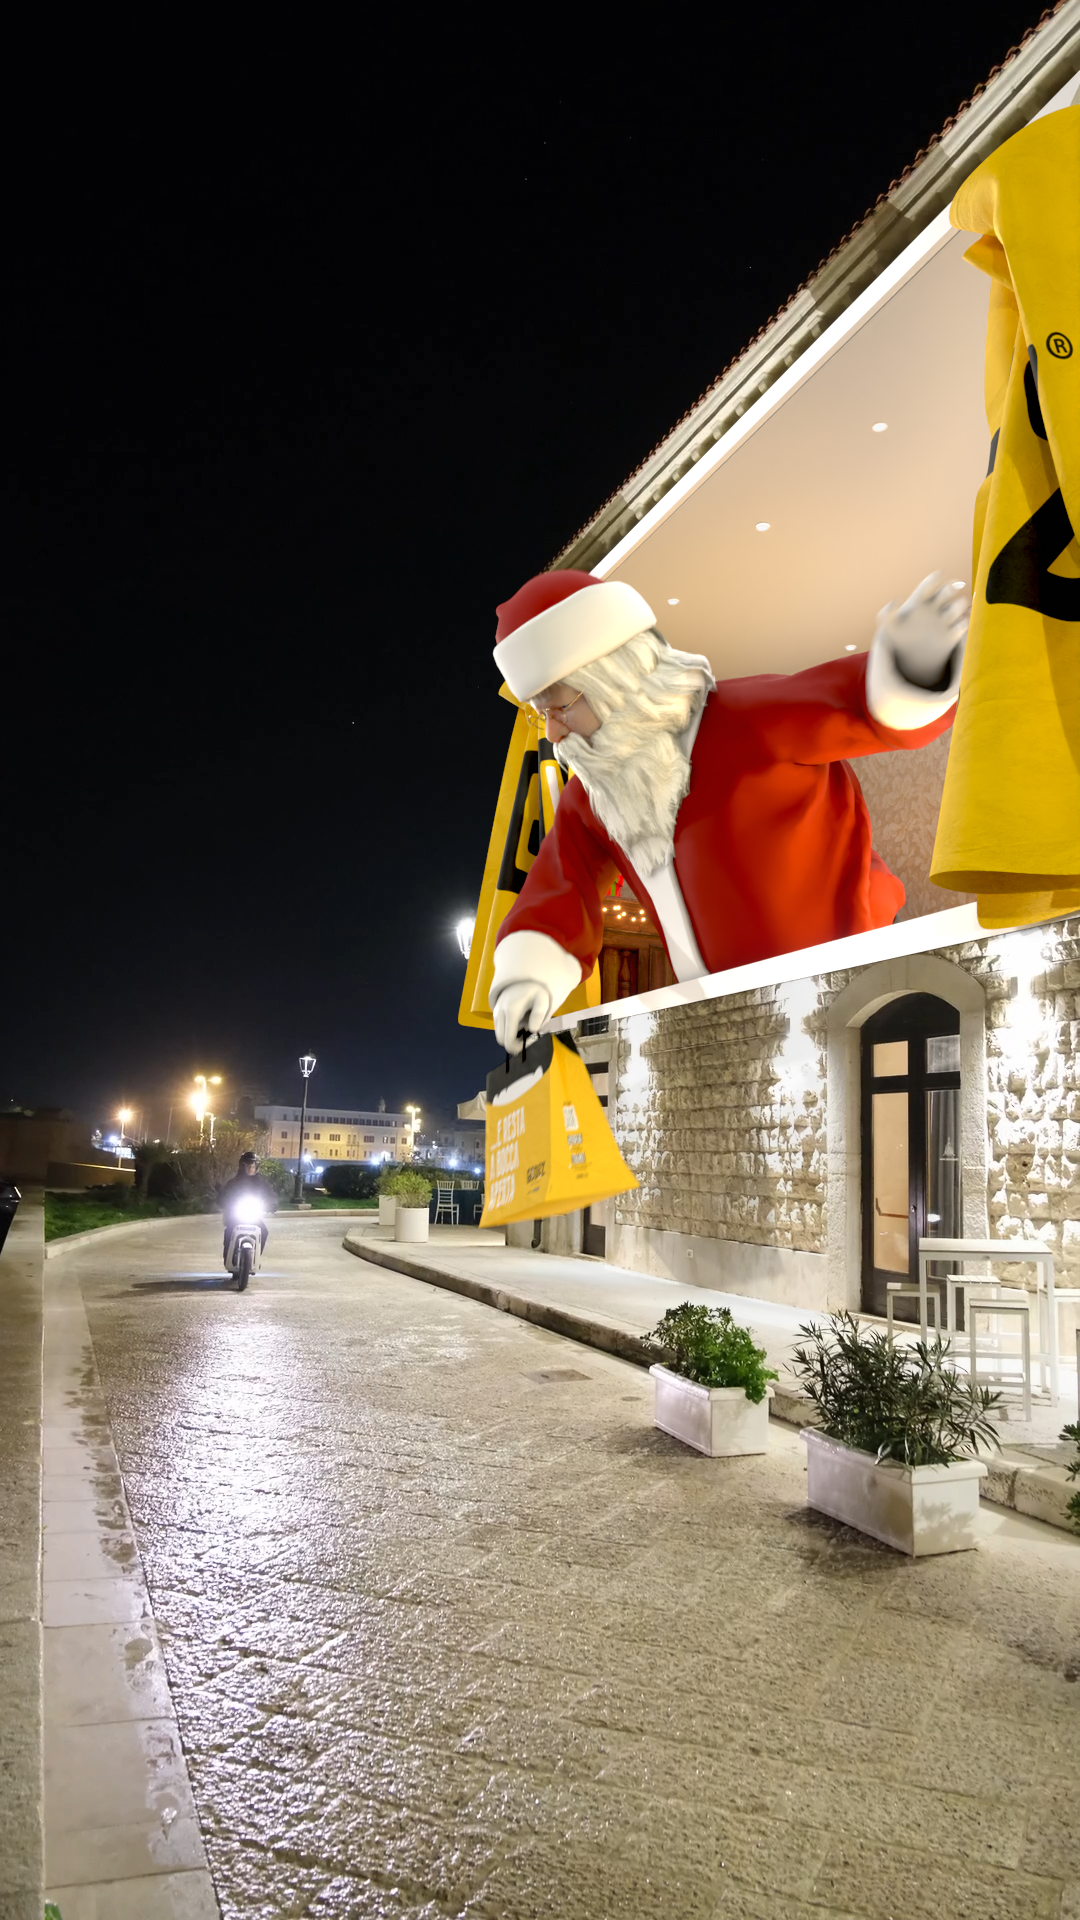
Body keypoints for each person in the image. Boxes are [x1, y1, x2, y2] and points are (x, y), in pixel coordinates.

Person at [488, 568, 968, 1048]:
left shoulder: (744, 717)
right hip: (720, 1016)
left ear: (616, 678)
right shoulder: (593, 797)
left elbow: (857, 705)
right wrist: (529, 976)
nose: (552, 733)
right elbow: (560, 885)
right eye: (541, 712)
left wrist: (909, 670)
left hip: (854, 983)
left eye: (561, 707)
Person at [220, 1151, 278, 1267]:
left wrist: (272, 1204)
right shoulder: (233, 1182)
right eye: (248, 1165)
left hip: (253, 1215)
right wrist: (223, 1200)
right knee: (229, 1231)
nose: (251, 1168)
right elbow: (224, 1196)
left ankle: (255, 1257)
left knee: (264, 1231)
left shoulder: (261, 1183)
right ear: (242, 1166)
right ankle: (228, 1257)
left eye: (253, 1165)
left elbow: (270, 1195)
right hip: (235, 1216)